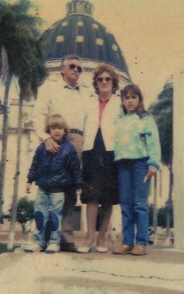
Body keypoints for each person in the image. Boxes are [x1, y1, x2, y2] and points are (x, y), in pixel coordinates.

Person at [32, 54, 86, 252]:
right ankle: (44, 238)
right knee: (49, 186)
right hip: (56, 138)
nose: (76, 71)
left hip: (78, 139)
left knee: (70, 189)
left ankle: (66, 237)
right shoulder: (50, 87)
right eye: (72, 66)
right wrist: (45, 138)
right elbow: (38, 114)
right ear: (62, 69)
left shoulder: (84, 92)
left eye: (79, 69)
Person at [77, 64, 122, 253]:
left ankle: (102, 239)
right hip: (91, 150)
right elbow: (82, 125)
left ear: (113, 83)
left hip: (112, 152)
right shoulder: (88, 102)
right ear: (96, 83)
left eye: (108, 79)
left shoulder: (120, 103)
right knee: (92, 196)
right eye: (100, 79)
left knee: (108, 198)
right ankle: (89, 239)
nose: (104, 82)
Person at [113, 84, 161, 256]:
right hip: (122, 165)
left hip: (140, 164)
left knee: (139, 204)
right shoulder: (120, 121)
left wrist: (153, 163)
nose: (130, 101)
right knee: (125, 204)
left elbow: (153, 141)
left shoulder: (146, 119)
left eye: (133, 97)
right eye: (126, 98)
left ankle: (141, 242)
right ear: (123, 101)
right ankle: (127, 242)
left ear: (139, 99)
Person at [24, 114, 82, 253]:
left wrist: (78, 185)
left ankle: (54, 242)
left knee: (55, 216)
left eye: (60, 128)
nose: (57, 131)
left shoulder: (69, 148)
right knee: (40, 215)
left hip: (58, 190)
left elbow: (75, 168)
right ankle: (39, 242)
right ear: (48, 130)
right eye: (54, 128)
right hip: (42, 188)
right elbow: (35, 165)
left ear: (65, 130)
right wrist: (29, 180)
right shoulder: (41, 148)